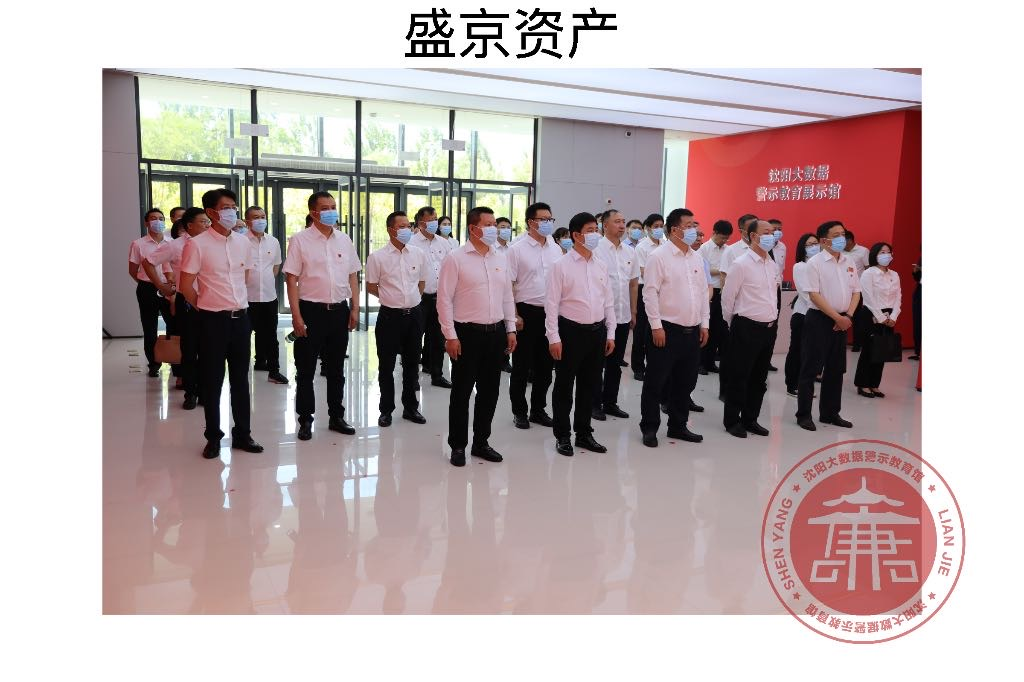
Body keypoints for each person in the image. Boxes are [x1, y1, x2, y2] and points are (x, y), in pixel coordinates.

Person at [178, 189, 264, 459]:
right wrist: (205, 305)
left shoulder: (243, 242)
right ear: (212, 212)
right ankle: (213, 437)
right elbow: (185, 285)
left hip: (241, 319)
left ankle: (243, 434)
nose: (232, 212)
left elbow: (245, 277)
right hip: (212, 321)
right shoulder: (197, 244)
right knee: (212, 381)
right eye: (226, 207)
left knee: (241, 380)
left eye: (234, 206)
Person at [437, 206, 517, 467]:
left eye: (495, 224)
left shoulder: (500, 258)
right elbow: (444, 300)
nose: (494, 229)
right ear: (473, 228)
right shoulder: (455, 258)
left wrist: (510, 328)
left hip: (495, 333)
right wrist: (450, 335)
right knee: (461, 392)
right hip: (466, 334)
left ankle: (481, 442)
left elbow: (507, 296)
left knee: (490, 391)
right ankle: (458, 445)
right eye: (489, 224)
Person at [284, 191, 361, 441]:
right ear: (313, 212)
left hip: (339, 311)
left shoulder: (344, 239)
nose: (331, 212)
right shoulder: (300, 240)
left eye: (333, 207)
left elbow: (353, 275)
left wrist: (355, 308)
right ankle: (305, 419)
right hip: (311, 312)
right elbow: (291, 280)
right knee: (306, 369)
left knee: (336, 369)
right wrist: (296, 317)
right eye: (325, 208)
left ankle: (336, 416)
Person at [545, 212, 615, 457]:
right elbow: (551, 304)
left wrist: (611, 333)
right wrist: (553, 337)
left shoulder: (601, 264)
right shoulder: (560, 266)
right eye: (590, 230)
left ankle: (584, 433)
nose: (595, 234)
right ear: (576, 235)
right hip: (570, 332)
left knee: (589, 385)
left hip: (597, 332)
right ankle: (563, 435)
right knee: (564, 386)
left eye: (596, 230)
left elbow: (608, 301)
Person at [638, 209, 709, 447]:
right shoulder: (659, 256)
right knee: (655, 382)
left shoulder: (696, 257)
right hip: (666, 330)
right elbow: (649, 293)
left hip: (692, 330)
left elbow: (702, 293)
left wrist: (704, 324)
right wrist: (656, 326)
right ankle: (649, 427)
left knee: (685, 383)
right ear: (674, 229)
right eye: (689, 225)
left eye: (694, 225)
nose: (694, 230)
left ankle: (678, 426)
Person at [795, 220, 861, 431]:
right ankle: (804, 415)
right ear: (824, 241)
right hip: (819, 320)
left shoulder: (849, 261)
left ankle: (830, 413)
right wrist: (836, 318)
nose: (842, 238)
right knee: (810, 368)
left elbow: (856, 291)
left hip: (843, 319)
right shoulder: (814, 263)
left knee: (836, 369)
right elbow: (813, 295)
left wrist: (847, 316)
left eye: (843, 233)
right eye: (836, 235)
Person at [143, 207, 210, 408]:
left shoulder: (212, 242)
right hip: (186, 300)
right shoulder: (176, 245)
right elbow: (148, 262)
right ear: (189, 225)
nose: (207, 225)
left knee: (208, 348)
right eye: (203, 222)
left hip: (210, 300)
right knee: (188, 348)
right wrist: (161, 286)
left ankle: (205, 391)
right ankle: (190, 392)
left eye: (208, 221)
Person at [366, 210, 428, 426]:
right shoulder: (377, 257)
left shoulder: (418, 254)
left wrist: (411, 299)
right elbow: (371, 286)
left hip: (414, 316)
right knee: (386, 365)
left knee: (412, 364)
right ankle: (386, 410)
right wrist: (391, 297)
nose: (407, 229)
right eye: (401, 226)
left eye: (408, 225)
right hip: (389, 317)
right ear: (390, 230)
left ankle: (411, 408)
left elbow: (421, 282)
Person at [720, 220, 781, 438]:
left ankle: (750, 418)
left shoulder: (772, 264)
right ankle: (732, 420)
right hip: (745, 326)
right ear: (753, 236)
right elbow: (728, 298)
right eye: (766, 232)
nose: (771, 236)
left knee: (759, 378)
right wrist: (733, 323)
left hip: (768, 328)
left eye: (773, 232)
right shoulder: (741, 264)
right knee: (739, 376)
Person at [507, 202, 561, 430]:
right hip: (526, 312)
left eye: (550, 219)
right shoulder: (516, 249)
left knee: (545, 367)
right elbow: (508, 285)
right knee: (522, 366)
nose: (548, 223)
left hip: (550, 313)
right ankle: (519, 411)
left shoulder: (555, 248)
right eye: (543, 219)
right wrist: (514, 315)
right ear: (531, 222)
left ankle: (538, 409)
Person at [591, 209, 639, 421]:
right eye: (617, 221)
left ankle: (610, 402)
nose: (621, 225)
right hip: (600, 317)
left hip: (623, 315)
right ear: (605, 225)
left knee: (615, 363)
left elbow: (633, 283)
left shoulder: (630, 252)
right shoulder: (596, 249)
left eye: (623, 221)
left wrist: (633, 310)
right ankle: (594, 404)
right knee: (596, 363)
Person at [410, 206, 455, 388]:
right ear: (421, 223)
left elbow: (450, 268)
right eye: (431, 220)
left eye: (436, 219)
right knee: (415, 338)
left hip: (440, 297)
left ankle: (437, 375)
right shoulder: (411, 243)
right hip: (419, 298)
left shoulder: (443, 243)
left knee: (438, 338)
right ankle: (412, 377)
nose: (435, 223)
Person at [243, 206, 287, 385]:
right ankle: (241, 374)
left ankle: (274, 371)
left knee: (270, 337)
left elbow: (276, 266)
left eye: (262, 216)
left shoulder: (273, 242)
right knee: (243, 338)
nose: (260, 220)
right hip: (245, 299)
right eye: (256, 217)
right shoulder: (240, 241)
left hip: (269, 297)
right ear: (247, 221)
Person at [717, 214, 758, 400]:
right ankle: (725, 389)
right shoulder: (732, 251)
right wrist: (729, 311)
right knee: (729, 352)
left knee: (749, 355)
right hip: (736, 310)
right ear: (742, 230)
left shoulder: (763, 251)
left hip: (755, 312)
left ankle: (746, 388)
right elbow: (724, 279)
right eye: (752, 227)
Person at [129, 208, 173, 377]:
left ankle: (173, 358)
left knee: (173, 324)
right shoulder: (138, 244)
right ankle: (154, 363)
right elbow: (133, 270)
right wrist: (147, 283)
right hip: (147, 288)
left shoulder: (171, 243)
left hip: (169, 287)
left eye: (161, 218)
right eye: (154, 218)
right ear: (146, 223)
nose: (158, 221)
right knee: (150, 327)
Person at [854, 242, 901, 398]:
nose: (886, 255)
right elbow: (868, 298)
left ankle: (874, 384)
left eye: (888, 252)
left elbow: (898, 297)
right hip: (871, 314)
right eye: (882, 252)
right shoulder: (869, 273)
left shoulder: (894, 275)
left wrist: (893, 316)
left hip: (889, 316)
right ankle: (863, 384)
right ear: (875, 255)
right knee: (869, 350)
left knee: (882, 350)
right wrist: (880, 317)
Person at [783, 233, 819, 396]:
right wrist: (824, 307)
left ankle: (805, 385)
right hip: (803, 314)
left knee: (811, 353)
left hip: (818, 315)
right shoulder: (800, 266)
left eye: (816, 243)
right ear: (802, 248)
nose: (814, 247)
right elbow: (806, 294)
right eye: (809, 244)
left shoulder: (820, 266)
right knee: (797, 351)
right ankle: (792, 385)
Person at [631, 213, 664, 381]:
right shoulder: (642, 247)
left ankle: (653, 363)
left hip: (662, 291)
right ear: (648, 228)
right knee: (641, 330)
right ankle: (638, 366)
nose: (659, 229)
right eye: (656, 226)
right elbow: (642, 271)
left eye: (661, 226)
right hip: (644, 288)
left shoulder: (665, 244)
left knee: (655, 328)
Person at [699, 219, 732, 375]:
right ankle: (700, 363)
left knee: (718, 330)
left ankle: (710, 362)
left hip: (723, 291)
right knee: (706, 327)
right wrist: (722, 270)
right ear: (714, 233)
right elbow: (702, 270)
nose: (724, 241)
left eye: (727, 238)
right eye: (722, 237)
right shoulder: (704, 249)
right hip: (708, 291)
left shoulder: (728, 250)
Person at [843, 229, 871, 351]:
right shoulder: (840, 252)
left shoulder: (863, 251)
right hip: (843, 289)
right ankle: (841, 342)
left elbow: (868, 269)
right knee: (842, 315)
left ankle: (857, 344)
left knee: (858, 317)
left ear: (849, 240)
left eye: (843, 240)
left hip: (857, 290)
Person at [910, 258, 921, 360]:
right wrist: (916, 271)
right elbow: (918, 278)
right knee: (918, 323)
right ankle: (918, 352)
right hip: (919, 295)